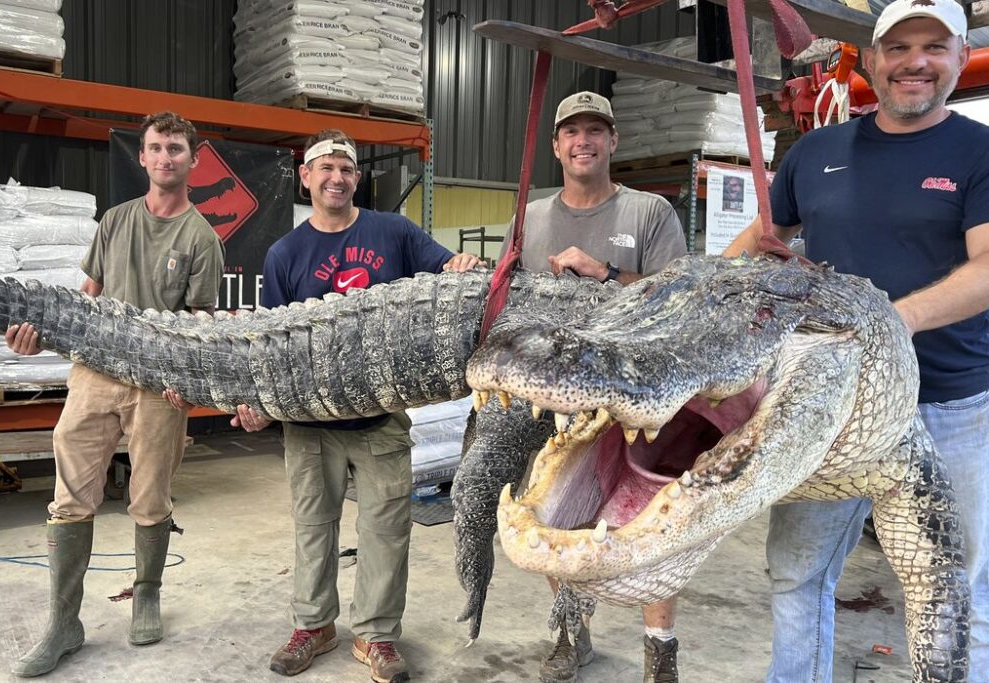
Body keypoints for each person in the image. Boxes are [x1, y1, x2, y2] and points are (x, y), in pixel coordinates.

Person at [723, 1, 989, 680]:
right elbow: (761, 242)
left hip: (950, 403)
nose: (915, 63)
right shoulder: (816, 153)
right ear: (872, 60)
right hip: (829, 406)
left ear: (961, 56)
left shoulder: (980, 152)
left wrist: (893, 319)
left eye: (934, 46)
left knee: (955, 589)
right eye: (897, 47)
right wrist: (694, 300)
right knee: (797, 572)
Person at [231, 128, 482, 683]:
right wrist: (258, 402)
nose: (336, 178)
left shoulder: (393, 231)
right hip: (308, 423)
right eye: (325, 168)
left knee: (387, 529)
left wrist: (461, 264)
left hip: (379, 419)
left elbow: (447, 272)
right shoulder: (285, 253)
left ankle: (376, 636)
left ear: (357, 177)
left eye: (346, 168)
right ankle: (314, 626)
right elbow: (268, 344)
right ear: (306, 177)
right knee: (313, 527)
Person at [5, 111, 225, 677]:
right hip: (95, 374)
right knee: (69, 496)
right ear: (143, 157)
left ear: (193, 160)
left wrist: (186, 382)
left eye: (176, 148)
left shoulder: (201, 237)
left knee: (150, 497)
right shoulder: (116, 220)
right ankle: (63, 622)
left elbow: (200, 322)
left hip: (158, 387)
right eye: (156, 148)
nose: (165, 157)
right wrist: (40, 337)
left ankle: (147, 592)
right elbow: (87, 297)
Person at [505, 91, 688, 683]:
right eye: (571, 132)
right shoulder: (529, 218)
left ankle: (660, 649)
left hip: (637, 398)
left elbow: (678, 302)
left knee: (650, 514)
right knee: (557, 510)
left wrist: (606, 274)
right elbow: (511, 300)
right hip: (558, 397)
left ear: (613, 141)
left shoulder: (649, 212)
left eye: (595, 130)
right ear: (556, 145)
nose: (582, 141)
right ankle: (570, 632)